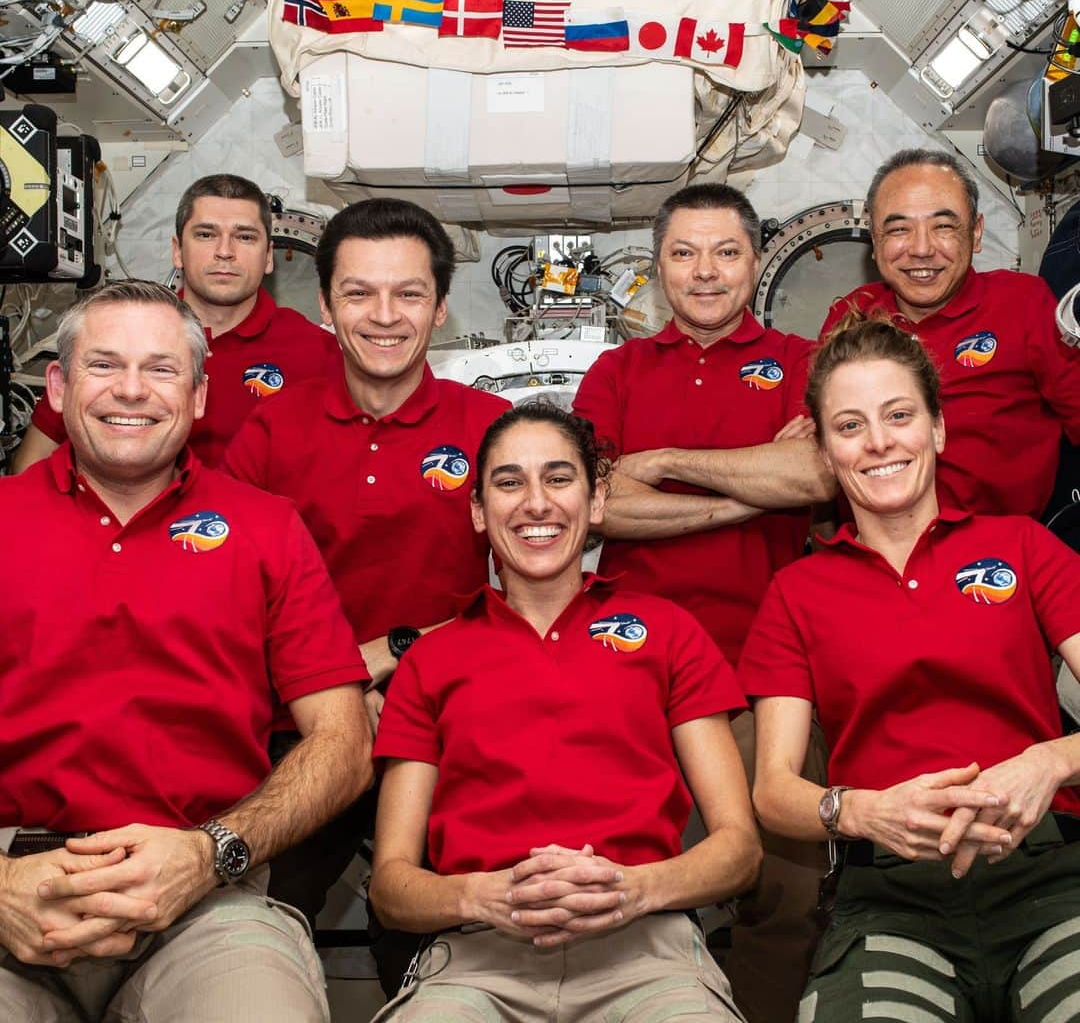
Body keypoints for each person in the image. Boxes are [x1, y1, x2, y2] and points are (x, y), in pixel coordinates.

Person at [0, 280, 372, 1022]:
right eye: (104, 365)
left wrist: (213, 853)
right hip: (14, 882)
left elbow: (346, 742)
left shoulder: (268, 528)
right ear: (59, 385)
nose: (131, 391)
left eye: (161, 369)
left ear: (200, 396)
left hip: (202, 898)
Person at [368, 400, 761, 1021]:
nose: (536, 503)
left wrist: (632, 890)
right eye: (508, 483)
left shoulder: (670, 632)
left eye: (558, 478)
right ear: (477, 511)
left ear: (596, 500)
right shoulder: (431, 661)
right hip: (477, 963)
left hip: (647, 954)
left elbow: (739, 848)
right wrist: (483, 896)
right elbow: (391, 886)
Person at [742, 316, 1080, 1021]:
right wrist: (861, 809)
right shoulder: (797, 592)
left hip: (1050, 879)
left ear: (938, 429)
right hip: (891, 901)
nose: (879, 443)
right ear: (827, 453)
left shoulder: (1020, 546)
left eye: (899, 416)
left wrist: (1048, 761)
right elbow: (773, 791)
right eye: (850, 426)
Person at [573, 182, 836, 1022]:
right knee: (621, 879)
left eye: (726, 251)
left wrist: (663, 460)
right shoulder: (617, 371)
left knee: (785, 895)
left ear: (757, 261)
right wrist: (755, 483)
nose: (706, 271)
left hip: (771, 671)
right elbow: (599, 503)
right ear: (659, 267)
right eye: (684, 253)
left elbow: (819, 474)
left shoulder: (802, 362)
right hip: (630, 670)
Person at [223, 198, 507, 964]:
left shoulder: (491, 428)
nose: (385, 316)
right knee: (252, 931)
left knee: (441, 949)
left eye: (408, 293)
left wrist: (399, 650)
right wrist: (342, 690)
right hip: (299, 734)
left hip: (446, 731)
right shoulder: (271, 431)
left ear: (441, 308)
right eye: (359, 293)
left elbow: (530, 598)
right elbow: (228, 600)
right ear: (324, 305)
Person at [13, 173, 338, 471]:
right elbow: (32, 464)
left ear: (268, 256)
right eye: (206, 234)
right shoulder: (115, 339)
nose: (224, 251)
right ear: (178, 251)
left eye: (245, 237)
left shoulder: (317, 352)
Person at [820, 147, 1080, 518]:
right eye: (898, 230)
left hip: (1003, 558)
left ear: (975, 233)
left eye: (943, 226)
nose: (922, 249)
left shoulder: (1022, 303)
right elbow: (820, 454)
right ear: (875, 242)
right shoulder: (850, 316)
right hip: (881, 554)